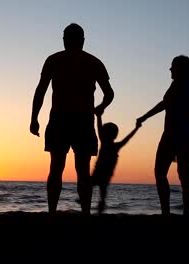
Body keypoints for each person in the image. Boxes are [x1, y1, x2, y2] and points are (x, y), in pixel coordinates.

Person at [30, 23, 114, 215]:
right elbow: (109, 94)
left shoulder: (53, 60)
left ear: (65, 40)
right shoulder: (94, 62)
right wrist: (99, 108)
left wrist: (34, 118)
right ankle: (85, 214)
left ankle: (52, 213)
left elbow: (40, 91)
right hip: (82, 121)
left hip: (60, 119)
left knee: (56, 167)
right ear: (83, 41)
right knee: (82, 170)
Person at [137, 55, 189, 216]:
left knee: (160, 172)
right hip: (186, 135)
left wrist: (144, 117)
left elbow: (165, 104)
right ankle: (186, 213)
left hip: (174, 134)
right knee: (184, 175)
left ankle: (166, 212)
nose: (170, 69)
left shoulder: (180, 85)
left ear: (181, 69)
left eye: (173, 66)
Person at [91, 112, 141, 214]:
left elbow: (99, 128)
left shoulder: (108, 144)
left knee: (95, 187)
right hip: (104, 172)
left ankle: (99, 206)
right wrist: (136, 128)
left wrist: (99, 116)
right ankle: (100, 206)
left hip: (102, 172)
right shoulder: (114, 145)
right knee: (101, 190)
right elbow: (128, 137)